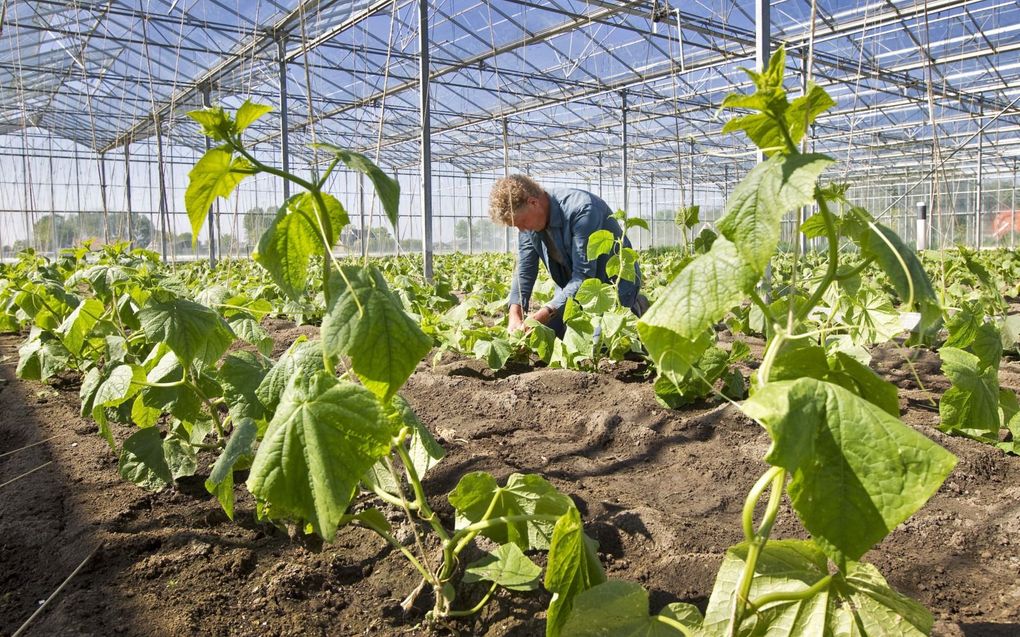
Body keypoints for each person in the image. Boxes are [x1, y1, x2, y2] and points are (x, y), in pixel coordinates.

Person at [487, 174, 648, 337]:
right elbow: (525, 269)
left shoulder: (583, 209)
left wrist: (546, 311)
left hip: (611, 287)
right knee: (545, 335)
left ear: (533, 203)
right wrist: (515, 313)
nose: (521, 230)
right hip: (571, 287)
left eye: (521, 223)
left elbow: (583, 274)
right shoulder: (528, 225)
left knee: (599, 343)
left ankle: (637, 307)